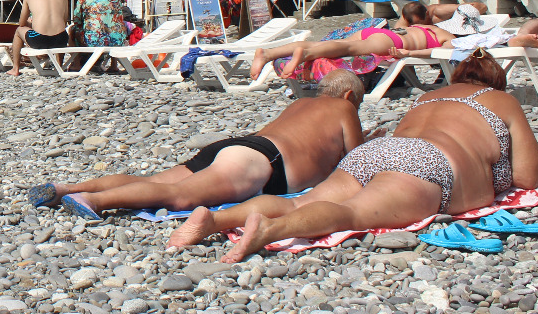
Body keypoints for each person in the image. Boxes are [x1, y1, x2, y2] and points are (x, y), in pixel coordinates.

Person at [167, 50, 538, 262]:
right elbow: (529, 177)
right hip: (428, 164)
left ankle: (214, 220)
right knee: (352, 213)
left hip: (379, 152)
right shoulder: (502, 101)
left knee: (305, 199)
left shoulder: (427, 99)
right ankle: (269, 231)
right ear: (497, 83)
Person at [29, 70, 366, 218]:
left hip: (241, 146)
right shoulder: (343, 108)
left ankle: (66, 187)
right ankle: (94, 200)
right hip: (263, 164)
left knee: (155, 182)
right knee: (179, 196)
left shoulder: (300, 104)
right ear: (349, 95)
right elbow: (355, 160)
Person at [251, 9, 455, 79]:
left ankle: (268, 54)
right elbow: (444, 51)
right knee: (347, 49)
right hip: (394, 41)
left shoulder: (426, 27)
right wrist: (409, 52)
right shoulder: (446, 35)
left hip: (378, 32)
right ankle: (303, 56)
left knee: (332, 43)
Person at [69, 0, 137, 72]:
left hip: (94, 40)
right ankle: (114, 65)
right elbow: (119, 18)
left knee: (73, 29)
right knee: (114, 28)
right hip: (117, 40)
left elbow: (77, 20)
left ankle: (76, 64)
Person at [9, 0, 71, 76]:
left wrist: (31, 23)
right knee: (62, 31)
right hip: (60, 40)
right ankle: (59, 66)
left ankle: (15, 68)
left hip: (40, 40)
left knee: (19, 31)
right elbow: (64, 22)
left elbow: (21, 23)